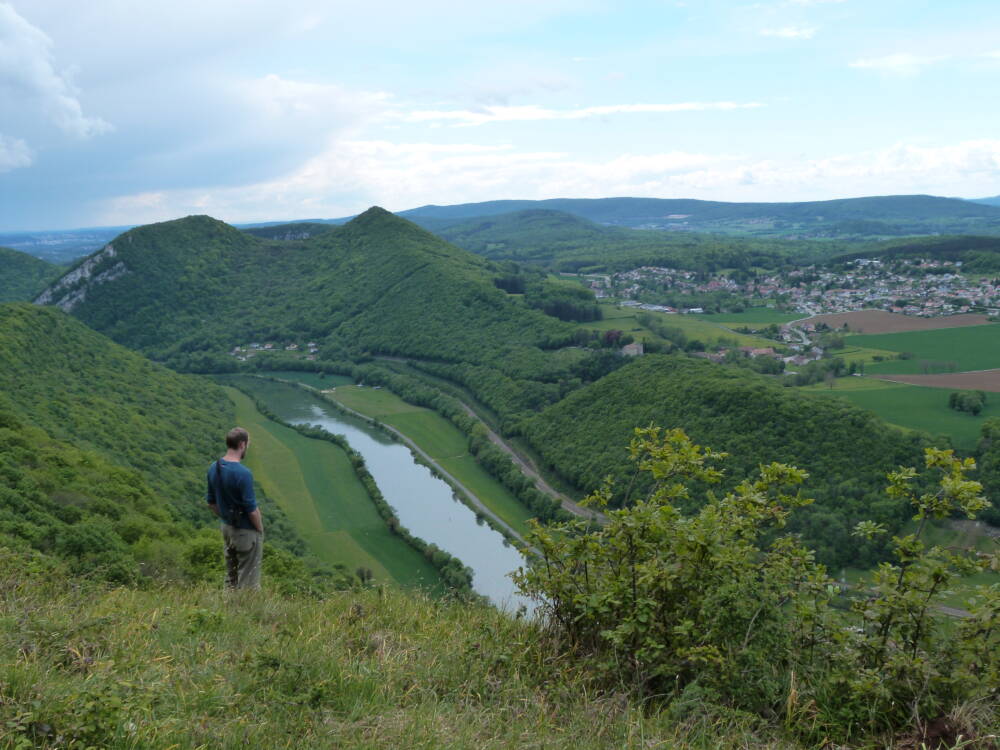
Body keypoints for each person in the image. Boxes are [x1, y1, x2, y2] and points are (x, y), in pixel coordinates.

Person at [206, 427, 263, 589]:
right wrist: (259, 529)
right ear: (242, 445)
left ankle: (226, 611)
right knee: (249, 581)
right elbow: (252, 509)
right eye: (248, 444)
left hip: (227, 528)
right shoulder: (243, 474)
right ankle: (246, 612)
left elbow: (211, 502)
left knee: (231, 578)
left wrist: (226, 518)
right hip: (246, 531)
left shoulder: (214, 467)